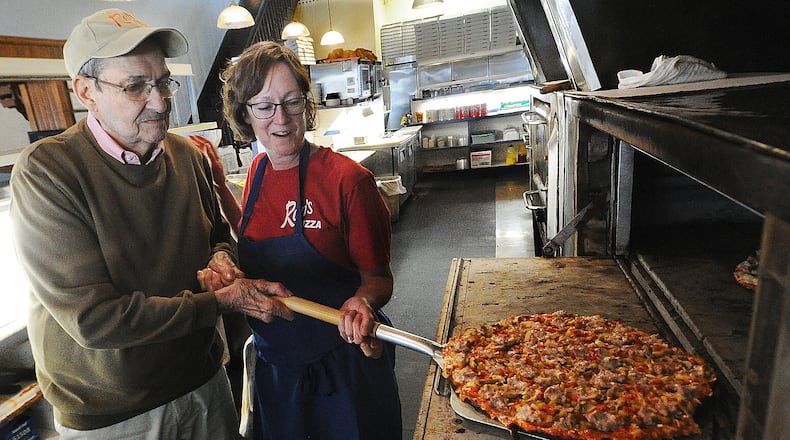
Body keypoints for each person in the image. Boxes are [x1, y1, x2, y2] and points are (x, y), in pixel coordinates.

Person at [9, 9, 294, 439]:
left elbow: (218, 234)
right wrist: (220, 303)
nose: (161, 102)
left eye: (162, 82)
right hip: (113, 415)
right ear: (86, 91)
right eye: (135, 87)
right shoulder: (47, 171)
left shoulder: (187, 155)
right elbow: (95, 320)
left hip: (203, 382)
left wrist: (221, 258)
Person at [220, 41, 402, 440]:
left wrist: (364, 301)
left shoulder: (347, 180)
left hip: (343, 370)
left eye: (292, 102)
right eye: (264, 106)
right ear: (244, 114)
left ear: (307, 103)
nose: (281, 118)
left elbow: (378, 278)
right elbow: (255, 242)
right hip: (278, 371)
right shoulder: (255, 174)